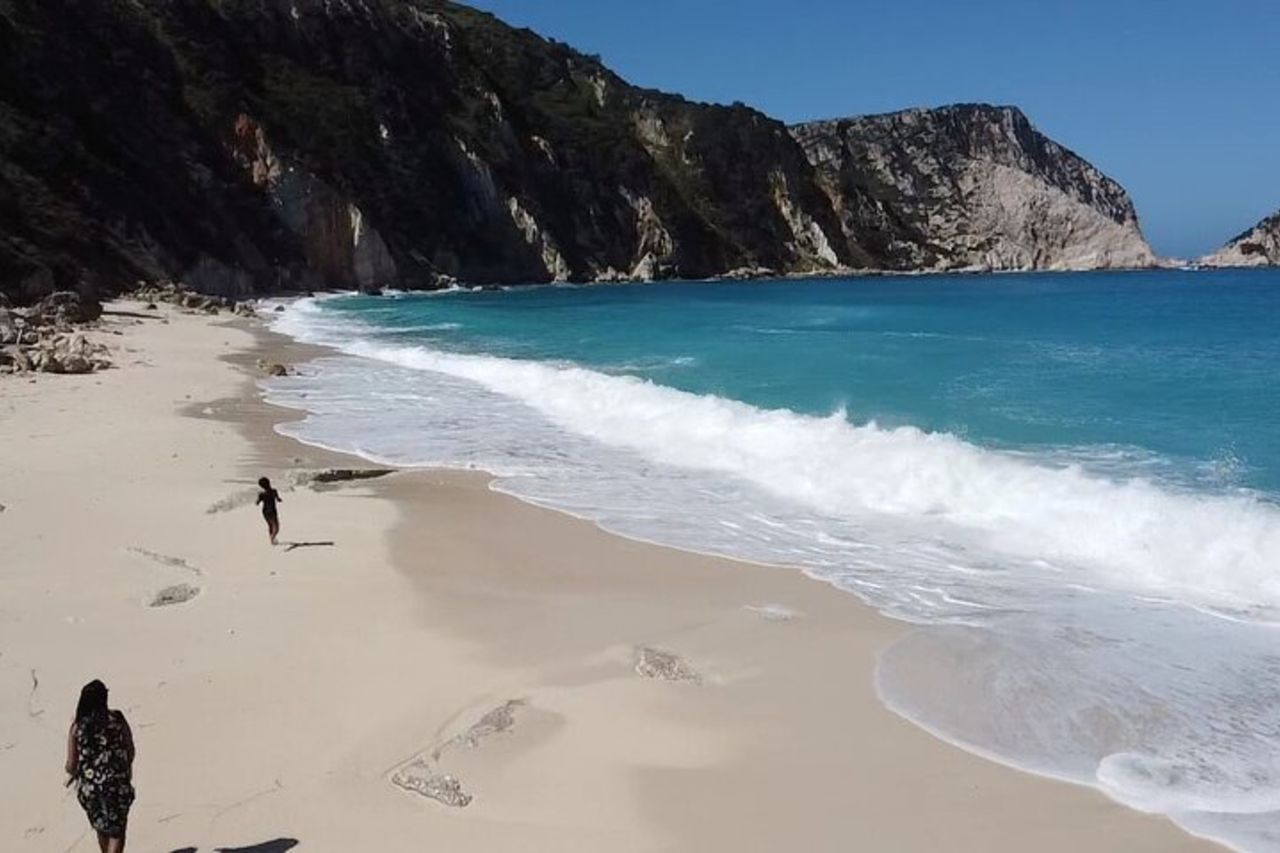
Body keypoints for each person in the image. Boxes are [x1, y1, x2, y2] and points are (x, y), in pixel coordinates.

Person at [65, 680, 135, 853]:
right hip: (116, 783)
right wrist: (123, 769)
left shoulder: (77, 727)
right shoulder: (116, 719)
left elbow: (70, 764)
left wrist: (74, 773)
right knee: (117, 832)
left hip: (90, 788)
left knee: (102, 828)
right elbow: (130, 749)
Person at [256, 476, 283, 545]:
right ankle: (273, 538)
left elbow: (257, 503)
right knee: (276, 527)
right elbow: (278, 499)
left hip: (265, 511)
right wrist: (279, 500)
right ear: (269, 483)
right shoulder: (274, 491)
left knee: (270, 525)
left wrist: (259, 499)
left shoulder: (262, 494)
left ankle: (272, 540)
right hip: (272, 511)